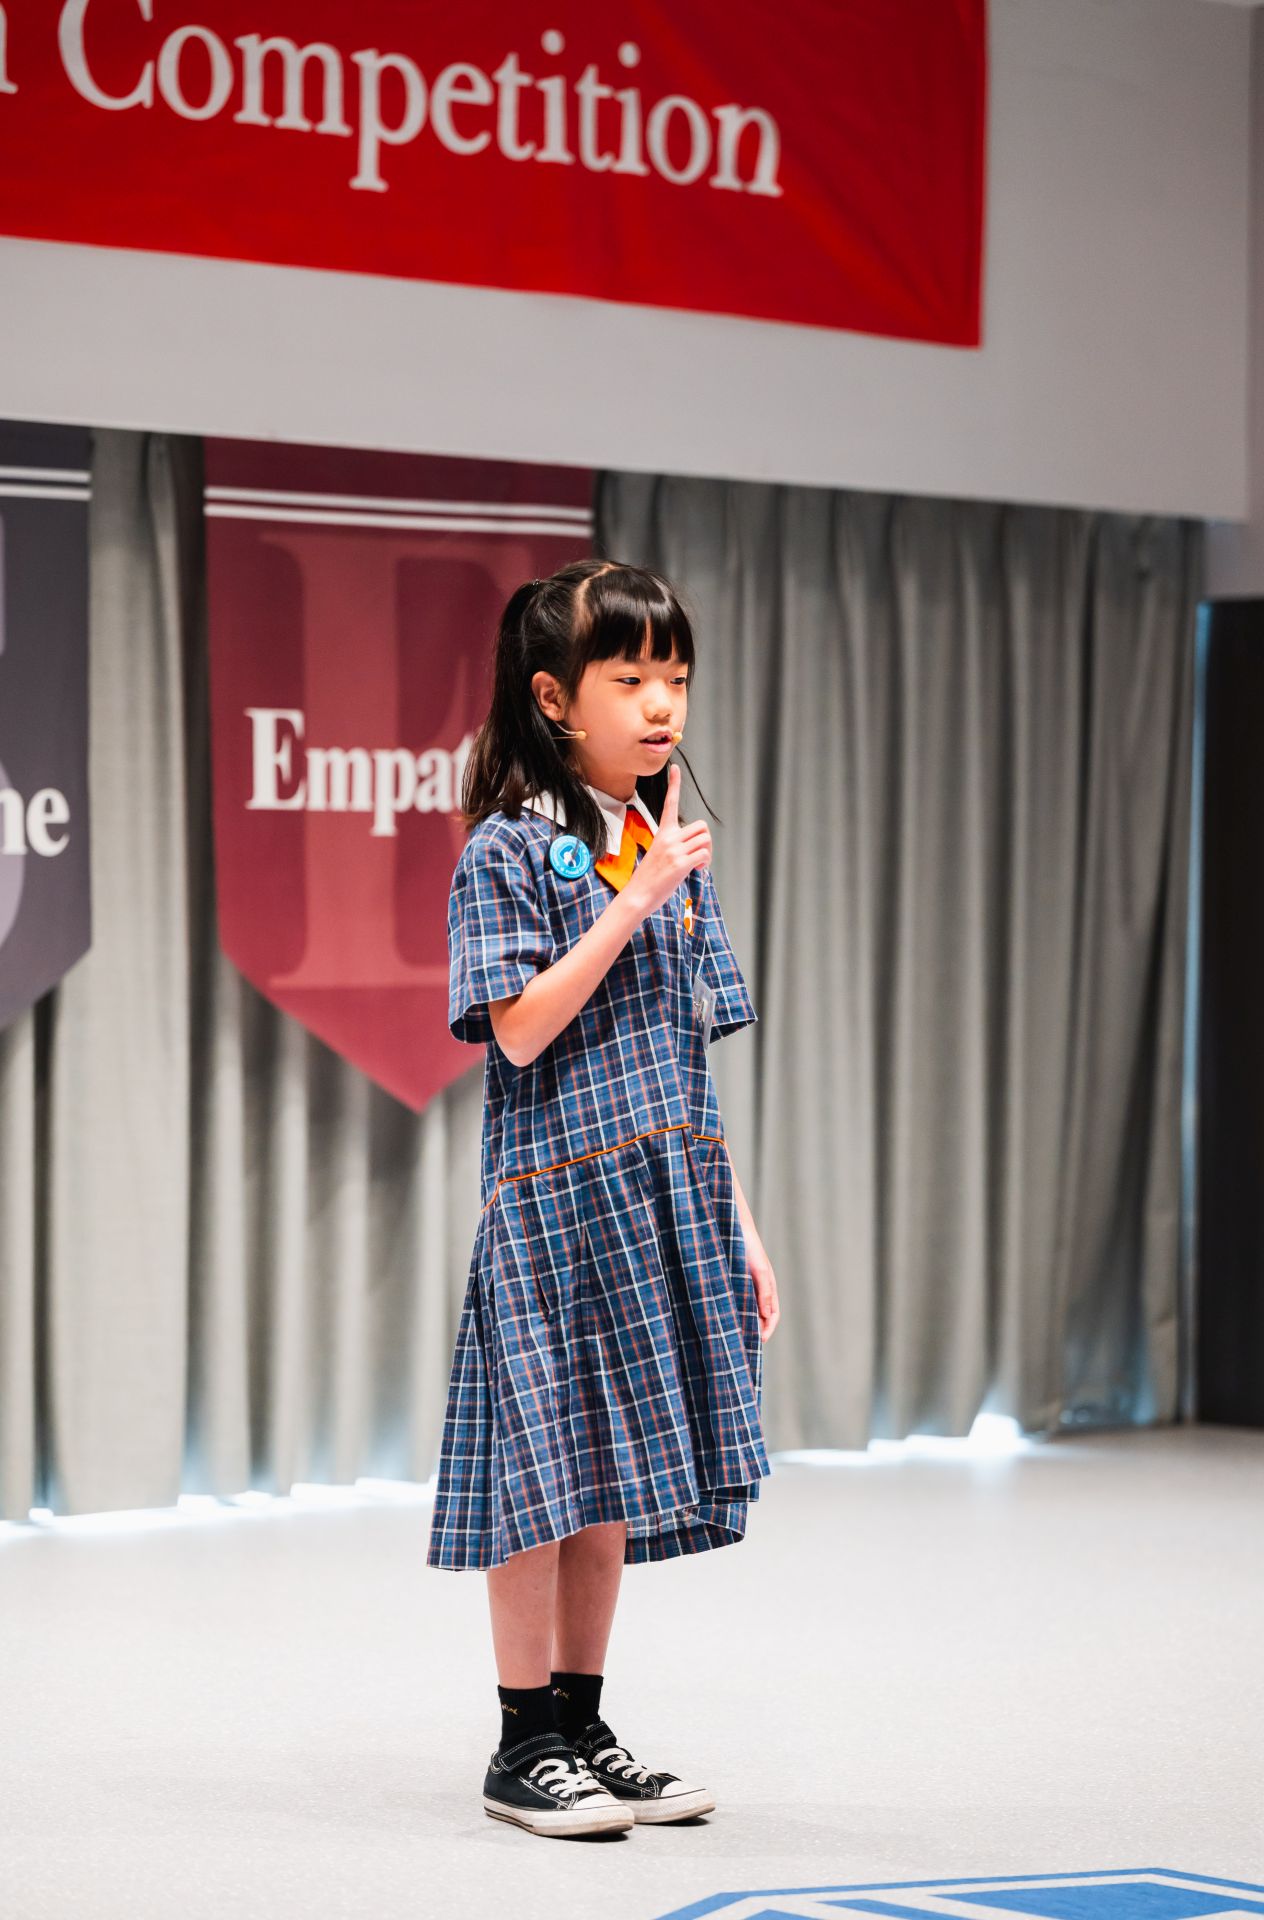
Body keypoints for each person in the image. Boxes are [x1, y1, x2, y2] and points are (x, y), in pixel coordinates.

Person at [426, 558, 780, 1839]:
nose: (661, 703)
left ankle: (582, 1726)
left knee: (616, 1479)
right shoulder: (511, 848)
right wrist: (633, 901)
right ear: (552, 698)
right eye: (628, 678)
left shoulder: (670, 852)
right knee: (543, 1475)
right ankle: (521, 1741)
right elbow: (518, 1031)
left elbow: (689, 1064)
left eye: (674, 676)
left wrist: (738, 1226)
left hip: (664, 1201)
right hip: (550, 1211)